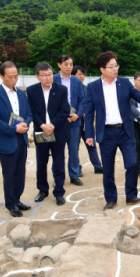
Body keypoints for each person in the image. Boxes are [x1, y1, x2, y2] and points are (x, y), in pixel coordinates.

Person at [85, 51, 140, 210]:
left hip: (126, 132)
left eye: (116, 66)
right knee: (108, 169)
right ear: (102, 69)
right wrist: (89, 135)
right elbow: (88, 112)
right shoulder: (93, 87)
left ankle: (131, 195)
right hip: (106, 134)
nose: (115, 69)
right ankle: (111, 199)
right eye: (111, 67)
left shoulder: (124, 83)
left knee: (132, 164)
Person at [0, 61, 33, 218]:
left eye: (16, 76)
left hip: (22, 138)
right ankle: (11, 203)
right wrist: (14, 129)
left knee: (20, 172)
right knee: (9, 173)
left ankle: (17, 199)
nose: (14, 80)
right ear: (1, 76)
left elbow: (28, 113)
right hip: (6, 139)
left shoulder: (21, 93)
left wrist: (25, 123)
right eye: (10, 77)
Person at [27, 62, 70, 206]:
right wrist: (42, 125)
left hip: (57, 131)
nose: (47, 78)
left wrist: (52, 125)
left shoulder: (62, 89)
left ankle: (59, 192)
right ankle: (42, 190)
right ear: (37, 76)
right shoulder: (32, 90)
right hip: (41, 131)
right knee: (41, 162)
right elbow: (32, 111)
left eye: (50, 74)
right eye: (44, 75)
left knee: (58, 163)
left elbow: (64, 110)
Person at [53, 55, 85, 186]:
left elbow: (82, 100)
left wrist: (78, 114)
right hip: (59, 122)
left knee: (74, 150)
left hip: (74, 121)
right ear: (59, 65)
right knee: (58, 151)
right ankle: (58, 177)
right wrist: (60, 116)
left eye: (71, 64)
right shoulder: (53, 79)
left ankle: (74, 175)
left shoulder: (77, 81)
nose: (69, 67)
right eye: (66, 64)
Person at [72, 65, 103, 175]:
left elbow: (91, 104)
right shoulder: (70, 89)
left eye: (82, 74)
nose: (81, 76)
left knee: (91, 143)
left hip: (87, 122)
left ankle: (98, 166)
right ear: (73, 75)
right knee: (74, 146)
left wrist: (90, 114)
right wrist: (80, 114)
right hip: (74, 122)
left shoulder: (87, 88)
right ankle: (77, 168)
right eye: (79, 74)